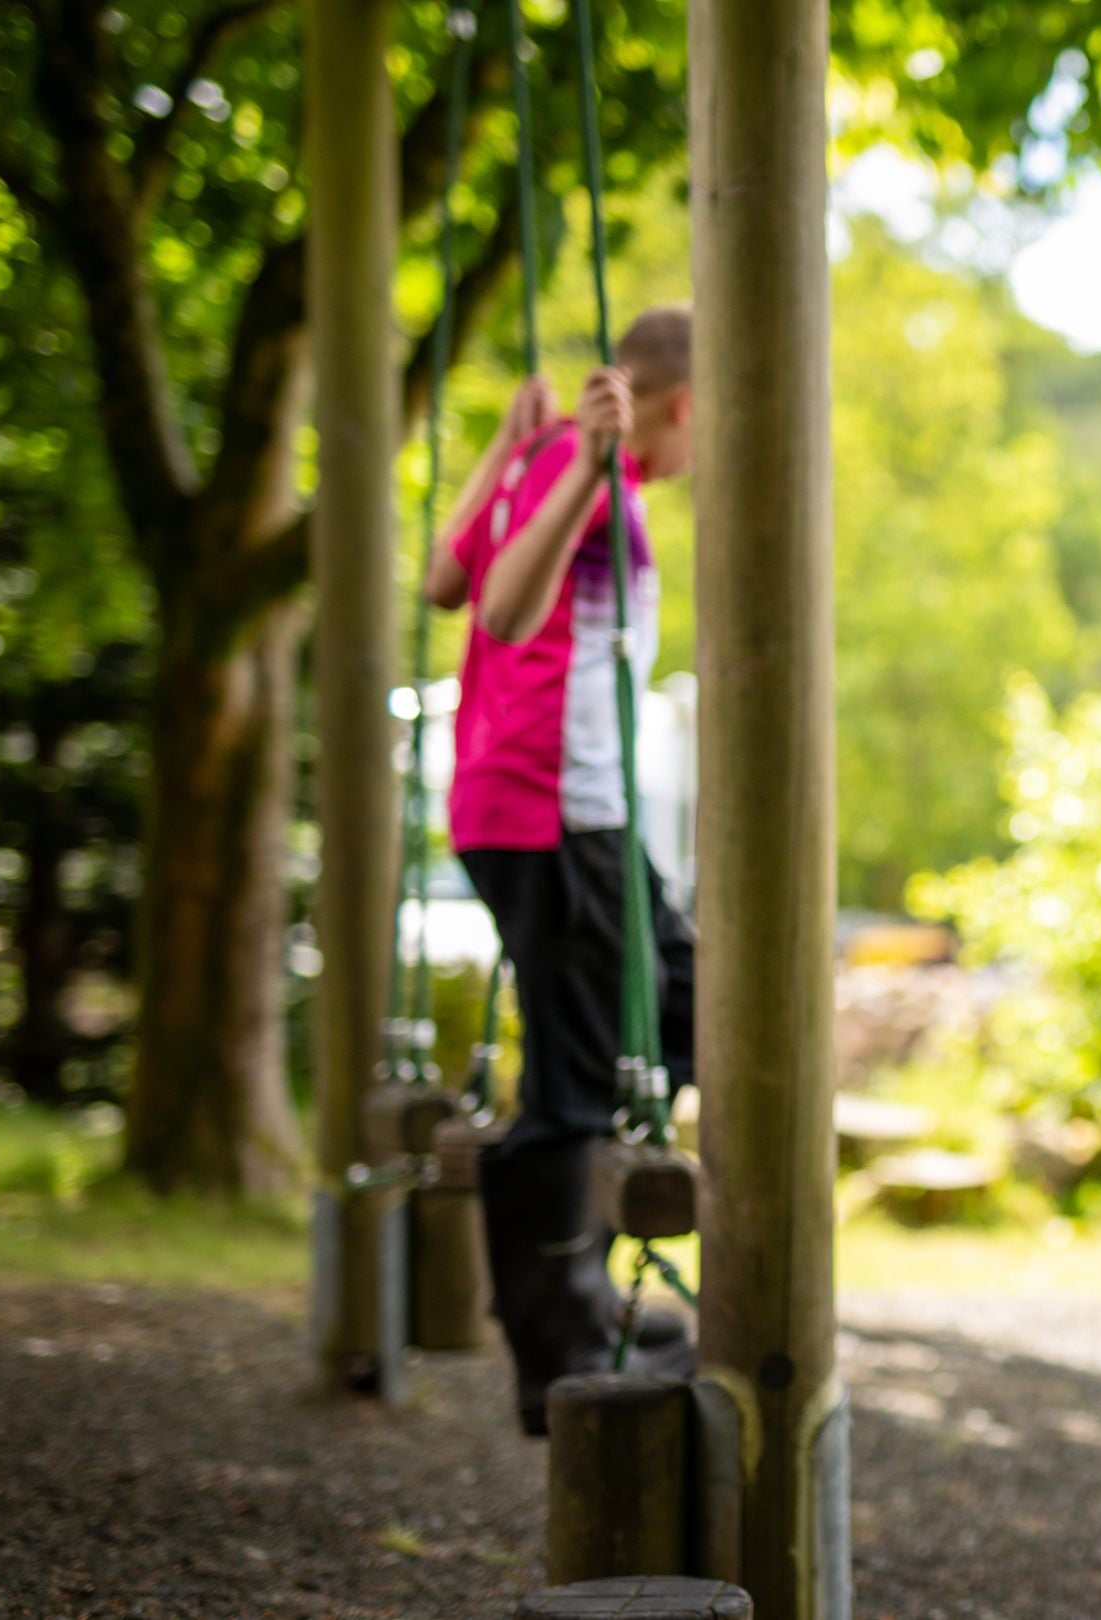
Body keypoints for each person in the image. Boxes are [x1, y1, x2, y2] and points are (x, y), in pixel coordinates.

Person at [424, 306, 700, 1435]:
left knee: (684, 998)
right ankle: (557, 1350)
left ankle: (577, 1302)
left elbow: (443, 577)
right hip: (551, 807)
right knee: (571, 1091)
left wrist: (507, 446)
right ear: (683, 407)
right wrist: (586, 463)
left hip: (554, 805)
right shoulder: (590, 475)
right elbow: (497, 604)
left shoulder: (546, 461)